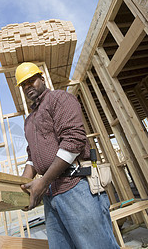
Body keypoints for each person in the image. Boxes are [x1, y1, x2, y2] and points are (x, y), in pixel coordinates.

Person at [15, 62, 120, 249]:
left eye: (32, 80)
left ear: (42, 78)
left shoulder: (59, 99)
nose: (28, 86)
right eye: (24, 84)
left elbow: (74, 141)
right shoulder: (29, 121)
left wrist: (43, 181)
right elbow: (32, 156)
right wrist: (21, 189)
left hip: (75, 187)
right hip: (50, 194)